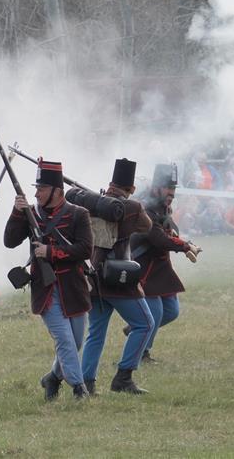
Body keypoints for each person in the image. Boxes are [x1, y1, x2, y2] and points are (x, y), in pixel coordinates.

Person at [4, 159, 94, 400]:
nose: (37, 193)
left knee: (74, 343)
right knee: (64, 340)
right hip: (45, 288)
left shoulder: (78, 214)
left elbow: (85, 249)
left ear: (57, 191)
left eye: (42, 188)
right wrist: (17, 212)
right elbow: (9, 241)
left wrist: (50, 252)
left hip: (73, 288)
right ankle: (79, 388)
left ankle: (52, 378)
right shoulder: (30, 214)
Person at [80, 159, 154, 395]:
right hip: (119, 279)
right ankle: (123, 377)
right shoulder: (132, 207)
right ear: (131, 188)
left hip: (94, 278)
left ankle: (87, 382)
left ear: (111, 184)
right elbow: (146, 226)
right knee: (145, 324)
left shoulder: (93, 204)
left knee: (96, 333)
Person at [128, 164, 200, 363]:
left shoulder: (162, 206)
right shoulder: (144, 207)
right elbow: (158, 239)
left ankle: (137, 328)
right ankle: (141, 352)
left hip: (160, 267)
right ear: (157, 187)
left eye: (174, 188)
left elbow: (168, 227)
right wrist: (184, 246)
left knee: (171, 311)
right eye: (169, 188)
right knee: (155, 313)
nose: (172, 193)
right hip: (144, 267)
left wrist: (179, 238)